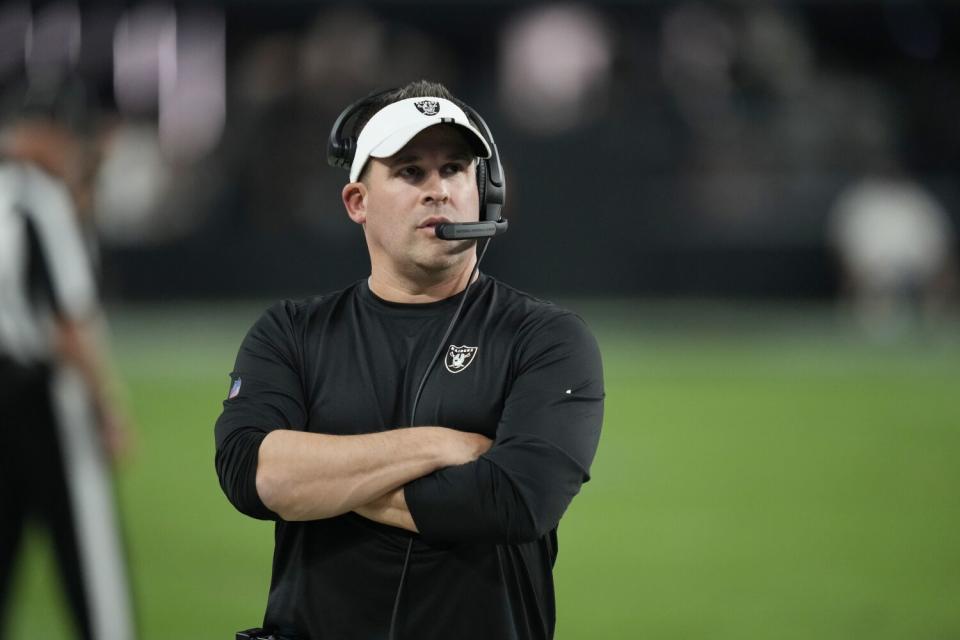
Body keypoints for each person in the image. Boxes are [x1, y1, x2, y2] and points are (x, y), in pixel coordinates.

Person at [215, 80, 604, 640]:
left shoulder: (547, 338)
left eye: (454, 168)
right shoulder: (291, 332)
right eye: (410, 172)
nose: (438, 190)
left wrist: (322, 484)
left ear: (485, 191)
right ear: (358, 202)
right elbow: (252, 475)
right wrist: (439, 445)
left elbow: (513, 502)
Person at [0, 109, 136, 639]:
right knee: (88, 556)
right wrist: (108, 406)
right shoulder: (39, 197)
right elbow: (67, 321)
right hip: (42, 394)